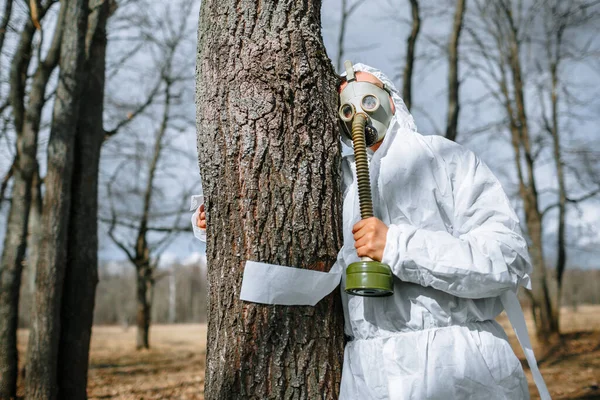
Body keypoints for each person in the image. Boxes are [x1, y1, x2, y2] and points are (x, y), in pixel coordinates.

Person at [194, 63, 549, 399]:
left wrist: (396, 245)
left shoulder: (445, 159)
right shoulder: (335, 180)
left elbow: (506, 260)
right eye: (344, 105)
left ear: (390, 99)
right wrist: (224, 218)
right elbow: (283, 222)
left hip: (460, 367)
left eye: (366, 95)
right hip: (369, 375)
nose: (357, 111)